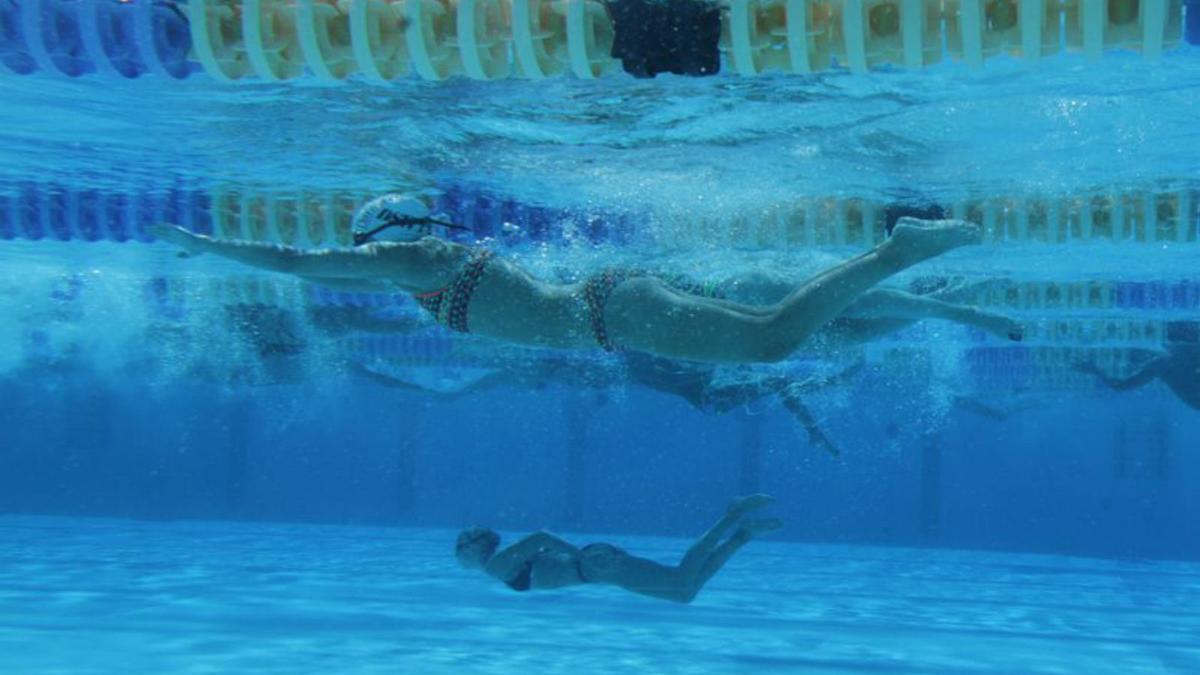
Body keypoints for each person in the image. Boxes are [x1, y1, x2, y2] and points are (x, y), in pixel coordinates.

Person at [149, 193, 1022, 364]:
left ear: (384, 237)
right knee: (800, 324)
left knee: (771, 340)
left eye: (362, 248)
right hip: (615, 309)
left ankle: (899, 252)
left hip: (615, 314)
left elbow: (298, 262)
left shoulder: (404, 261)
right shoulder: (424, 262)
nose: (357, 260)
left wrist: (205, 242)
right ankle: (943, 304)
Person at [454, 494, 781, 603]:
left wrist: (582, 556)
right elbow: (541, 547)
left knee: (681, 579)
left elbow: (541, 537)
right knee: (684, 593)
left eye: (460, 547)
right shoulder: (499, 561)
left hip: (595, 565)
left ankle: (732, 515)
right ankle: (742, 536)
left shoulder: (496, 564)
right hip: (595, 569)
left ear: (474, 547)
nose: (457, 554)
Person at [1076, 329, 1200, 410]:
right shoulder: (1163, 362)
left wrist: (1096, 371)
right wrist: (1096, 370)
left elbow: (1120, 386)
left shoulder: (1163, 362)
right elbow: (1120, 386)